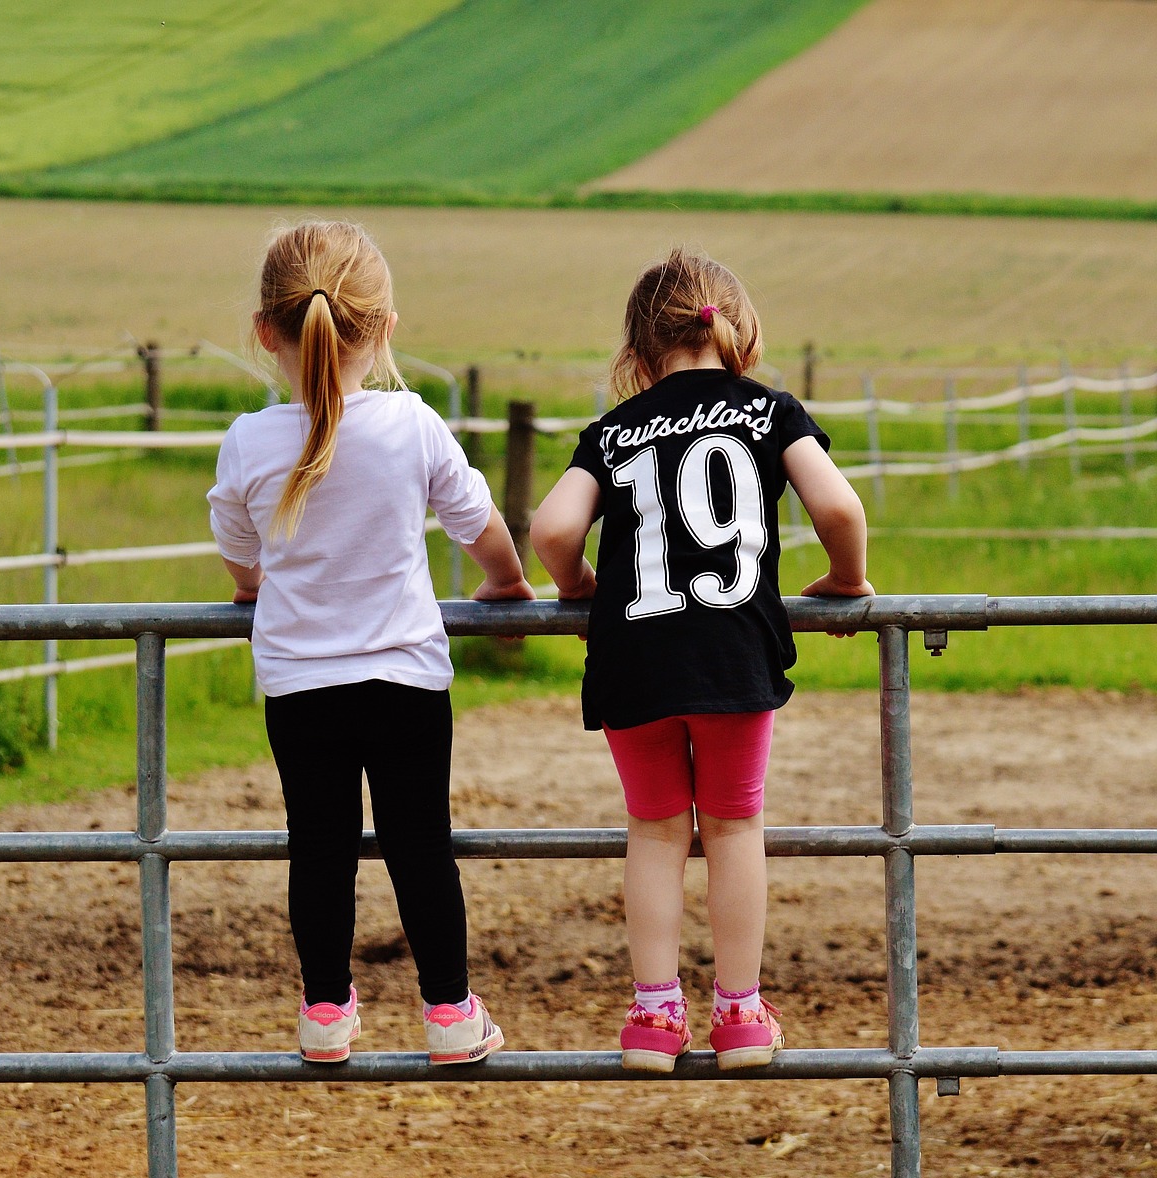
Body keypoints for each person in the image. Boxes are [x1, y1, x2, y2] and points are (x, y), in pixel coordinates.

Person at [530, 247, 873, 1073]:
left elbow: (549, 530)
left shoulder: (613, 430)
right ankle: (741, 1014)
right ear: (741, 340)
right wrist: (847, 580)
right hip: (733, 656)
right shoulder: (770, 411)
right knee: (733, 824)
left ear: (638, 355)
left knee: (653, 829)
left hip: (632, 657)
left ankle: (653, 1017)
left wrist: (576, 585)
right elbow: (838, 504)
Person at [207, 219, 534, 1065]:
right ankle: (452, 1015)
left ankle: (324, 1014)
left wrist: (251, 591)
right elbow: (479, 523)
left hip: (299, 687)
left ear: (264, 332)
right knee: (421, 845)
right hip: (406, 681)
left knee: (318, 850)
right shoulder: (411, 424)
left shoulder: (248, 441)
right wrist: (504, 581)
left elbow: (239, 552)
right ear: (385, 328)